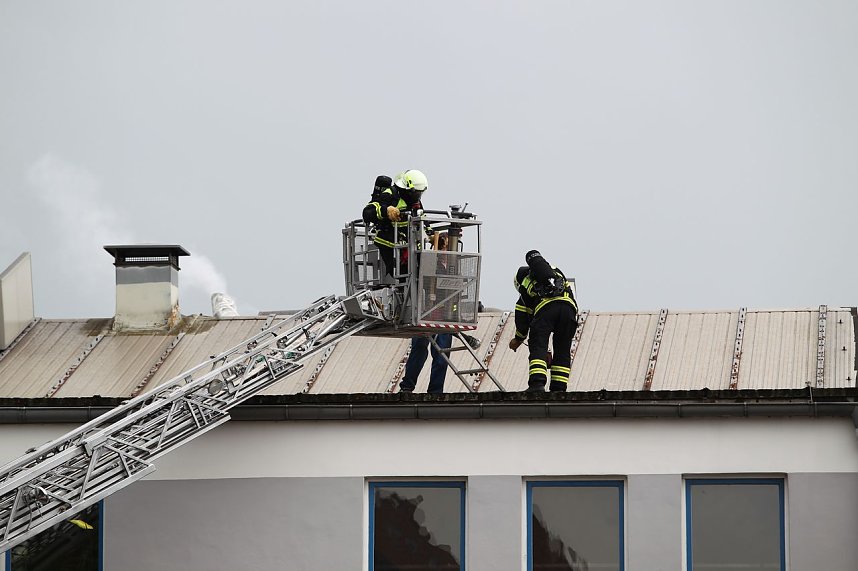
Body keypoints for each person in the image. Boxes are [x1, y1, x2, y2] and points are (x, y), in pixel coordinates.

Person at [509, 250, 578, 392]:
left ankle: (537, 384)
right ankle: (559, 389)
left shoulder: (525, 283)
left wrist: (518, 339)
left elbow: (522, 319)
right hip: (569, 310)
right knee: (563, 349)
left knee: (537, 345)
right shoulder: (556, 272)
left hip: (546, 309)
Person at [399, 232, 453, 394]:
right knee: (419, 350)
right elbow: (427, 281)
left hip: (444, 316)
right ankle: (407, 386)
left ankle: (435, 391)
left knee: (441, 355)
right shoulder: (430, 261)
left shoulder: (452, 267)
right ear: (443, 245)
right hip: (427, 313)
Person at [362, 170, 432, 281]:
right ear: (409, 189)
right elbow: (367, 213)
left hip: (409, 245)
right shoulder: (390, 194)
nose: (418, 196)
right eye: (417, 193)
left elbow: (422, 217)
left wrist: (430, 235)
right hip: (389, 243)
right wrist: (386, 211)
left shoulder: (415, 201)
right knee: (400, 274)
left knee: (422, 271)